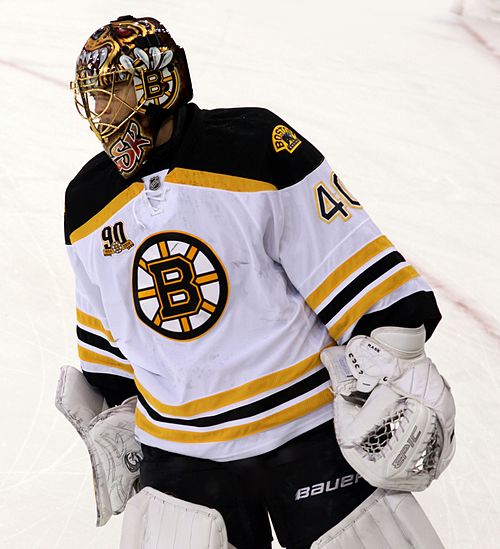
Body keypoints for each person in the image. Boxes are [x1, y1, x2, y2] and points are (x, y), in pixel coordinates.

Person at [58, 15, 455, 549]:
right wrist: (112, 417)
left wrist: (400, 366)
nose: (104, 113)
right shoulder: (86, 205)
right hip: (182, 456)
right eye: (95, 98)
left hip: (307, 433)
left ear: (160, 84)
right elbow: (110, 358)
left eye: (117, 92)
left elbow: (368, 283)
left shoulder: (255, 148)